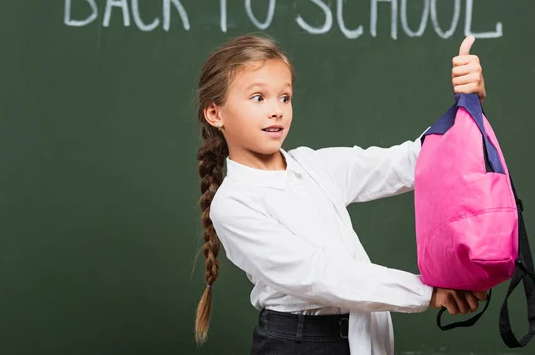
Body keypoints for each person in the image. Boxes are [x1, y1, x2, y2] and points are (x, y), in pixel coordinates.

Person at [193, 33, 488, 354]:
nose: (276, 110)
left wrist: (467, 106)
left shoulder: (312, 165)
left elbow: (406, 163)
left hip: (356, 336)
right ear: (215, 113)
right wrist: (426, 292)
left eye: (284, 97)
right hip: (300, 342)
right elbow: (320, 275)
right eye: (258, 98)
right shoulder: (234, 204)